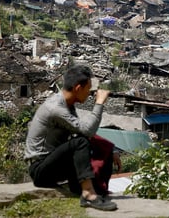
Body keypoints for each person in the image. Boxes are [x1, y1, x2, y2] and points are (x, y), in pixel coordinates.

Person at [24, 65, 120, 211]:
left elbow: (81, 130)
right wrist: (99, 103)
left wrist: (112, 149)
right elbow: (87, 131)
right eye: (88, 89)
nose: (90, 94)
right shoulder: (56, 108)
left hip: (53, 164)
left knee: (93, 144)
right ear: (77, 88)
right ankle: (88, 194)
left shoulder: (68, 105)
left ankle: (87, 190)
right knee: (80, 142)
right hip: (40, 170)